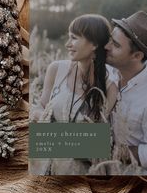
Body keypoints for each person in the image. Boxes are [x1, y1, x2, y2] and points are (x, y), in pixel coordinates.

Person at [31, 14, 118, 175]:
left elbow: (97, 144)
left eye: (74, 38)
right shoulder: (56, 69)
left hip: (83, 176)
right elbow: (38, 109)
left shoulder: (109, 87)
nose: (67, 44)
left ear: (94, 44)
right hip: (47, 171)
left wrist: (49, 132)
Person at [105, 11, 147, 175]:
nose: (106, 47)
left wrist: (112, 152)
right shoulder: (106, 70)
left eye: (116, 45)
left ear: (136, 56)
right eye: (110, 39)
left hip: (127, 174)